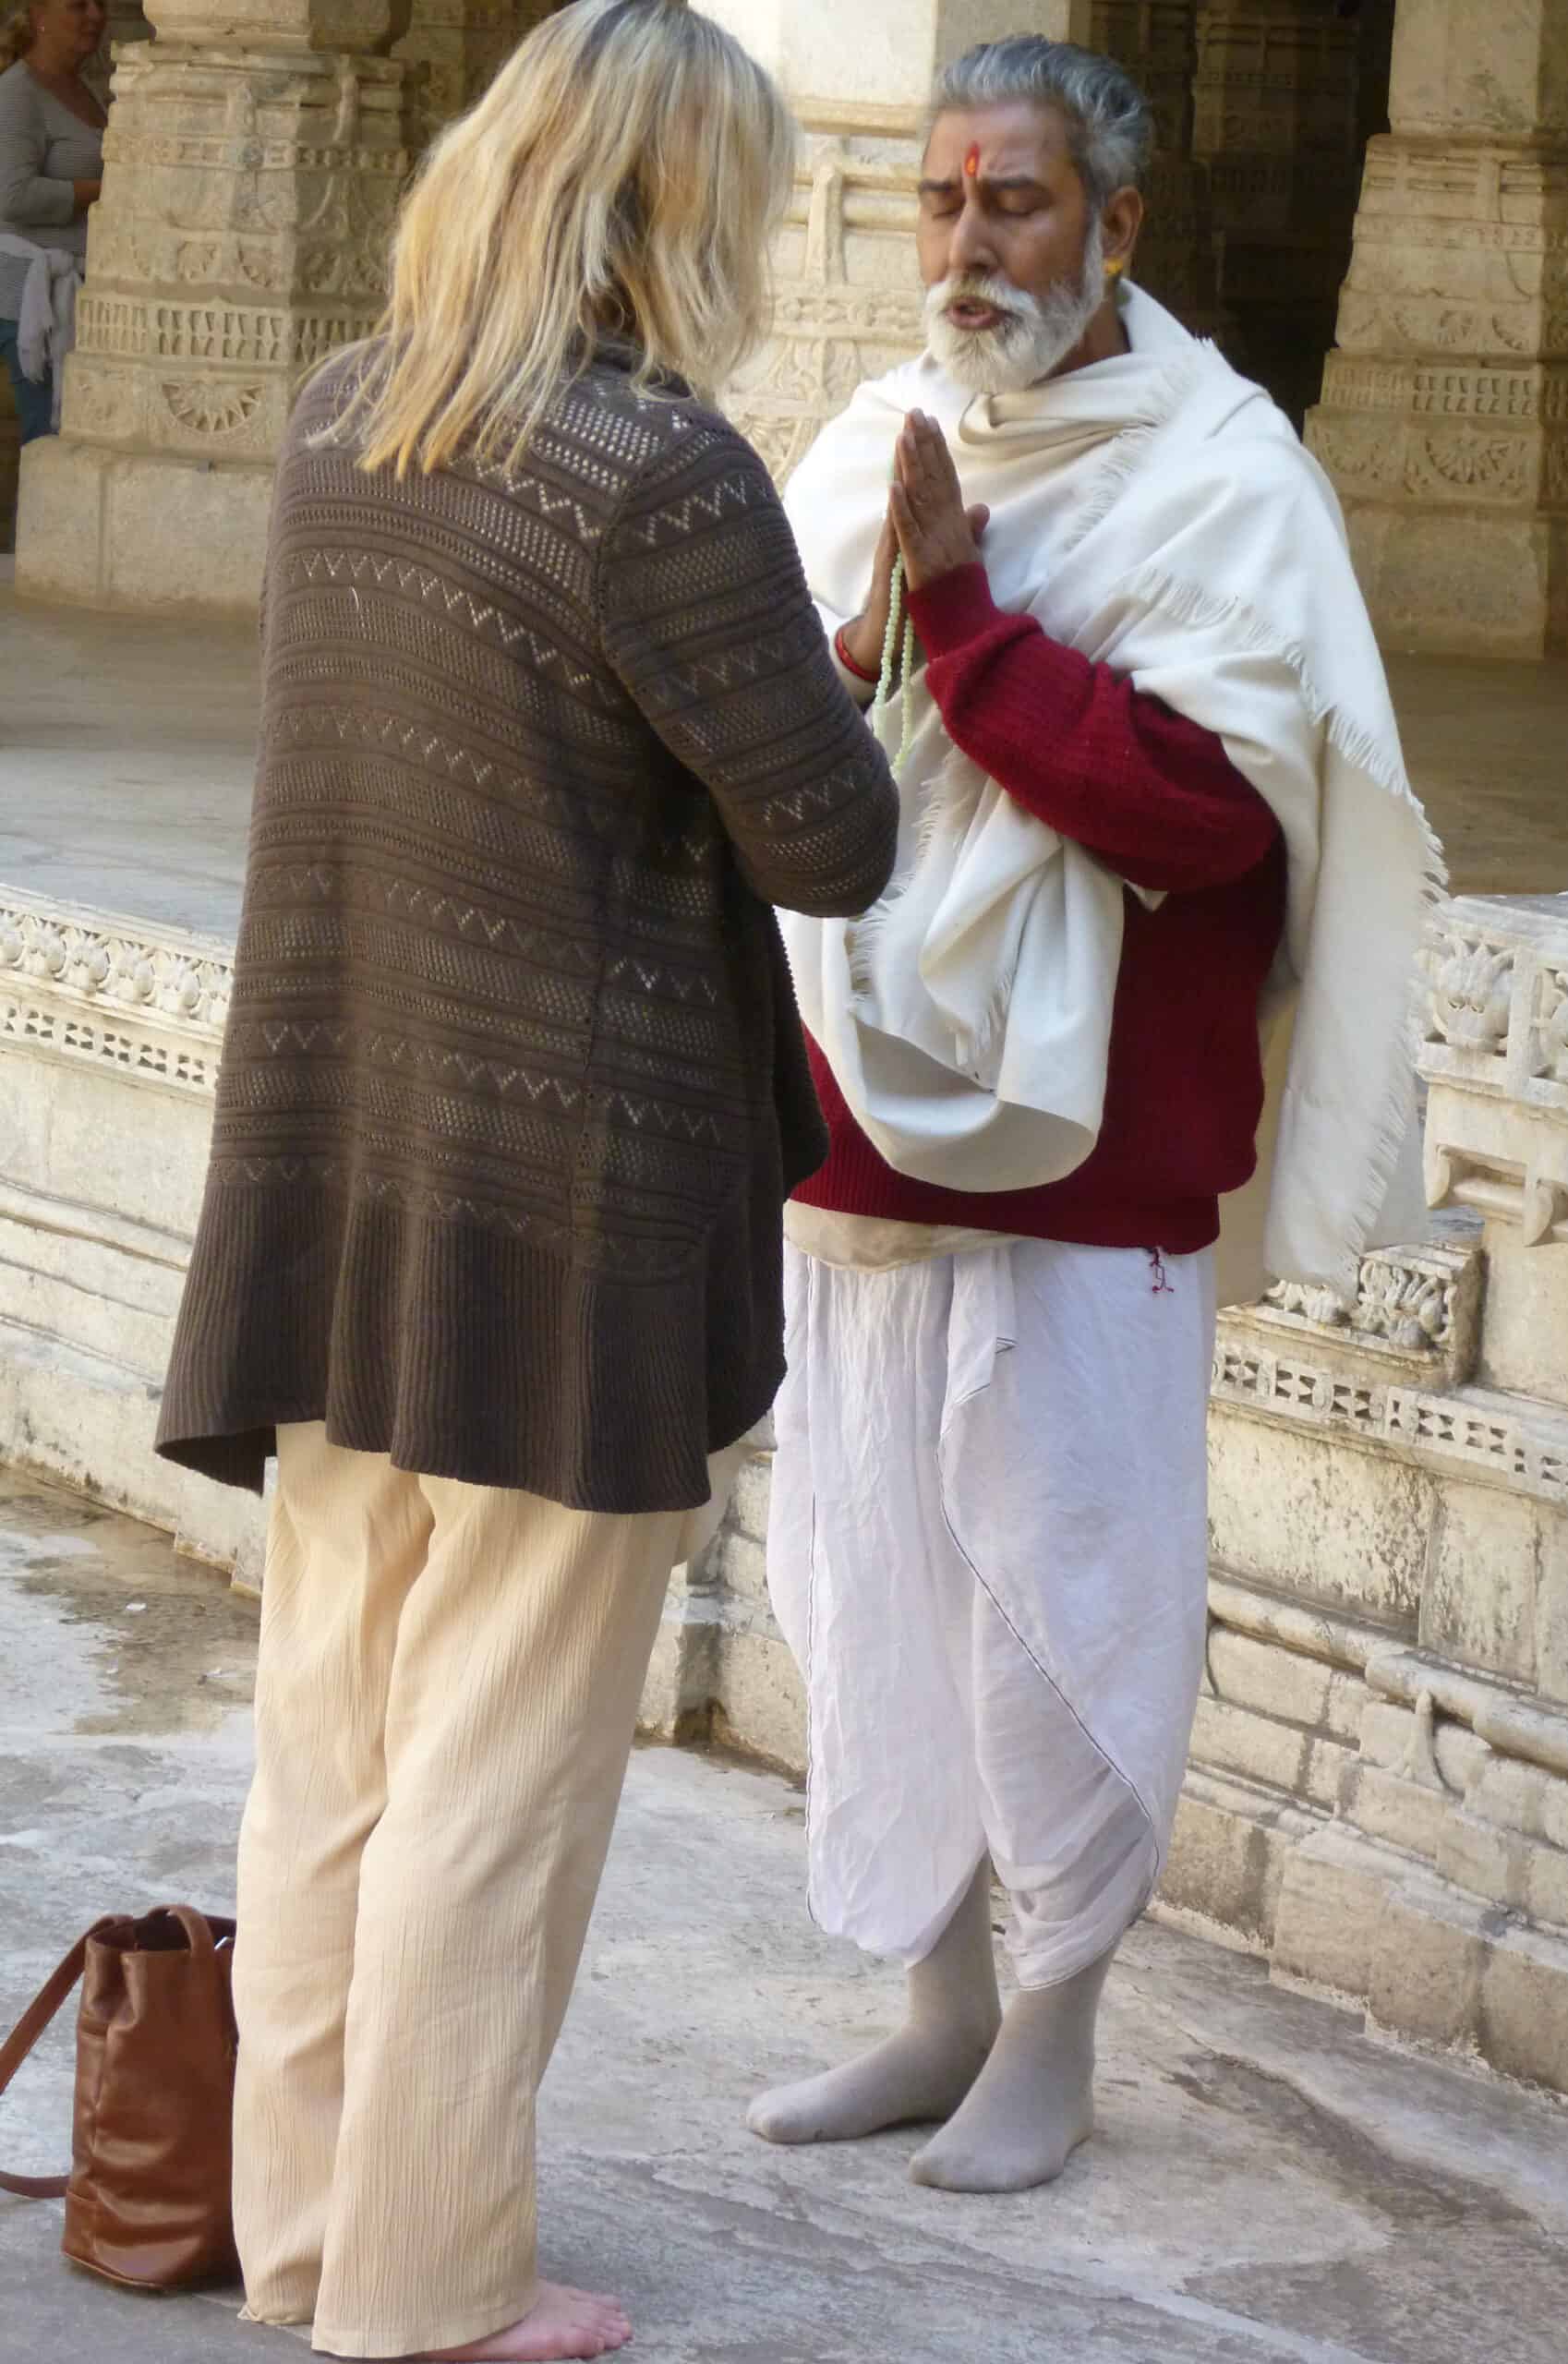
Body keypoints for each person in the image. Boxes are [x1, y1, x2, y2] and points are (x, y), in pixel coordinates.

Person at [154, 3, 897, 2357]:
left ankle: (304, 2237)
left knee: (331, 1735)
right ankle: (431, 2284)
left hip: (334, 1160)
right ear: (678, 205)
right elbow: (829, 840)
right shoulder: (660, 470)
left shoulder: (337, 416)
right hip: (567, 1199)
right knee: (495, 1764)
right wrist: (844, 672)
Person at [750, 37, 1439, 2195]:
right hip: (858, 1138)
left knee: (1063, 1595)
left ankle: (1049, 2034)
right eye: (941, 198)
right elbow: (788, 737)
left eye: (1015, 201)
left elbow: (1209, 813)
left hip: (1090, 1155)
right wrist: (852, 653)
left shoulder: (1224, 478)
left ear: (1114, 226)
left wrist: (959, 625)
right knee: (874, 1583)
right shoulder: (875, 433)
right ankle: (935, 2009)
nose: (965, 243)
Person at [0, 0, 104, 440]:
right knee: (48, 439)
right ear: (39, 15)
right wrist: (110, 189)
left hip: (78, 291)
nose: (96, 15)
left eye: (100, 4)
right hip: (31, 298)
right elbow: (11, 196)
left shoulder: (83, 87)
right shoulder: (16, 92)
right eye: (78, 5)